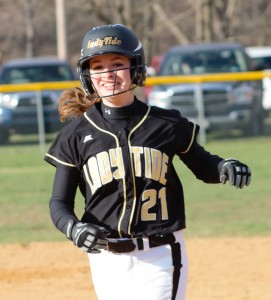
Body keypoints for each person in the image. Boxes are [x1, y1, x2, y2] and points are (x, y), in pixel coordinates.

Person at [44, 24, 251, 300]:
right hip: (106, 260)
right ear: (87, 75)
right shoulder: (76, 134)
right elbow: (59, 202)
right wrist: (74, 228)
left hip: (160, 255)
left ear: (136, 68)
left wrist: (224, 167)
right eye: (97, 66)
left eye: (117, 63)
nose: (107, 73)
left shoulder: (165, 124)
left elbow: (204, 166)